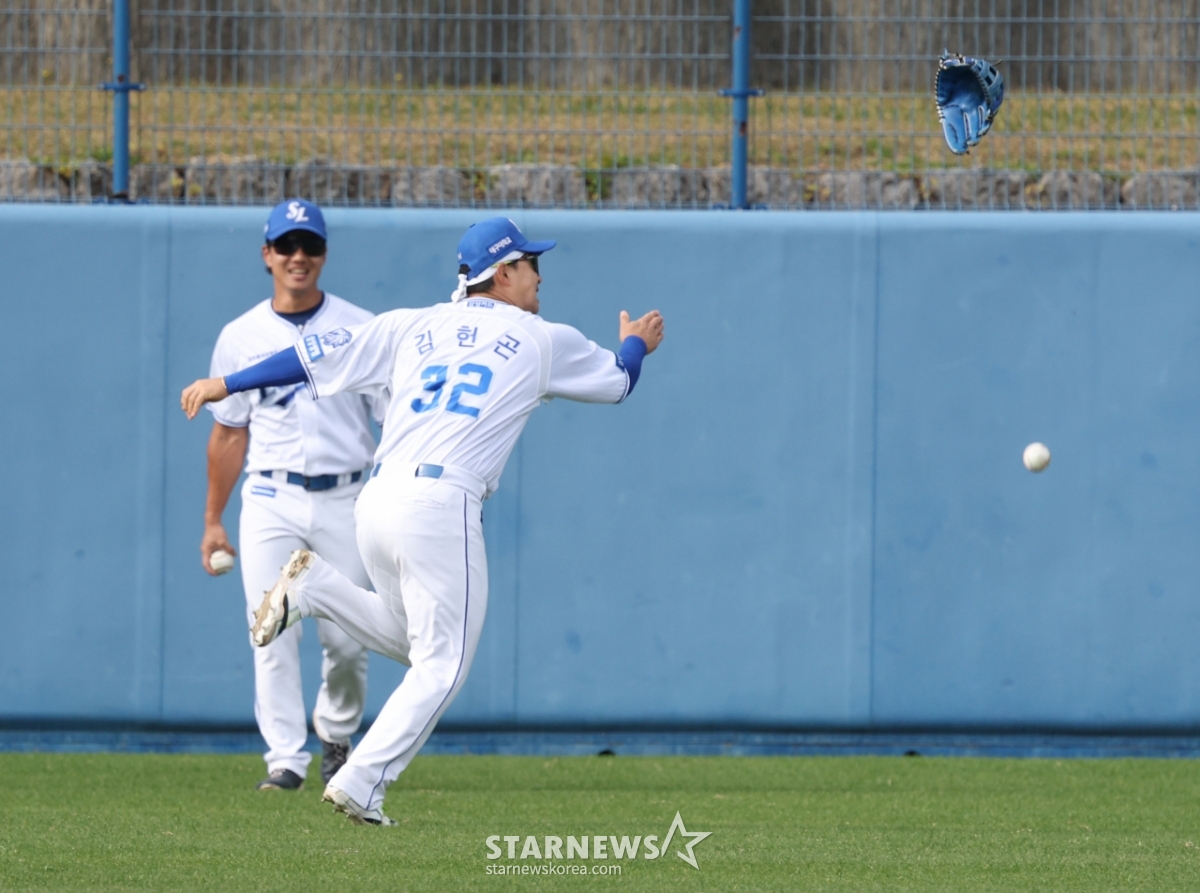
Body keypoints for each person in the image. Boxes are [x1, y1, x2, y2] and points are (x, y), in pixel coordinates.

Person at [181, 216, 664, 824]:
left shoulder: (411, 324)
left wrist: (226, 381)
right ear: (505, 271)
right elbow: (619, 382)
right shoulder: (541, 337)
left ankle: (315, 587)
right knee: (446, 663)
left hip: (376, 500)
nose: (541, 275)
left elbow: (305, 359)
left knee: (418, 645)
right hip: (442, 504)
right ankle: (361, 781)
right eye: (532, 263)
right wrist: (636, 343)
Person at [201, 199, 376, 792]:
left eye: (310, 246)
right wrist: (212, 521)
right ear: (267, 255)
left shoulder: (359, 327)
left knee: (349, 640)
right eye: (287, 246)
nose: (299, 257)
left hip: (346, 497)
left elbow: (395, 417)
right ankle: (285, 758)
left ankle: (335, 731)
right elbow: (228, 433)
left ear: (324, 255)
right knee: (270, 628)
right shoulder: (241, 335)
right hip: (272, 497)